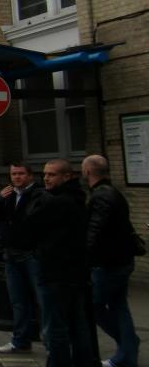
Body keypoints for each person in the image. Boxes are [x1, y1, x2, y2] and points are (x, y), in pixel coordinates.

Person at [26, 158, 96, 367]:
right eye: (45, 174)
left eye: (52, 174)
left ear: (67, 176)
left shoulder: (55, 202)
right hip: (75, 272)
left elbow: (30, 225)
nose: (46, 178)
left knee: (56, 328)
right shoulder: (77, 198)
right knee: (77, 325)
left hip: (56, 272)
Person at [83, 155, 140, 367]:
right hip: (122, 259)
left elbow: (95, 231)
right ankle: (127, 356)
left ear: (88, 172)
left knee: (94, 305)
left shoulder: (101, 196)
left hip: (108, 262)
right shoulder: (113, 193)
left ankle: (128, 345)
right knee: (118, 305)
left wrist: (84, 258)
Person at [0, 163, 43, 355]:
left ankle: (51, 342)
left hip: (31, 255)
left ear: (30, 176)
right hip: (11, 254)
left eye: (21, 174)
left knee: (41, 301)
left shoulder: (38, 195)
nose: (17, 177)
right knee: (18, 301)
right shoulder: (9, 195)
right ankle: (20, 340)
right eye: (14, 174)